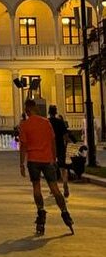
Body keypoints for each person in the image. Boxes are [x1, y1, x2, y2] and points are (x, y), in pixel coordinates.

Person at [18, 99, 74, 236]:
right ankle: (65, 213)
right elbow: (52, 142)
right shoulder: (46, 123)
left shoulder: (24, 125)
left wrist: (21, 164)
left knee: (36, 187)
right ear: (36, 108)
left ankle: (41, 212)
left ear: (27, 110)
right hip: (47, 159)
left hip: (33, 160)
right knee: (54, 188)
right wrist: (53, 159)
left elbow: (23, 146)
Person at [48, 104, 71, 197]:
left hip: (51, 148)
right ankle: (65, 183)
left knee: (51, 168)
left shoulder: (47, 122)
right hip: (60, 146)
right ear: (56, 112)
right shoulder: (60, 122)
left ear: (49, 112)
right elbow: (66, 136)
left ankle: (53, 188)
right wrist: (68, 143)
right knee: (63, 167)